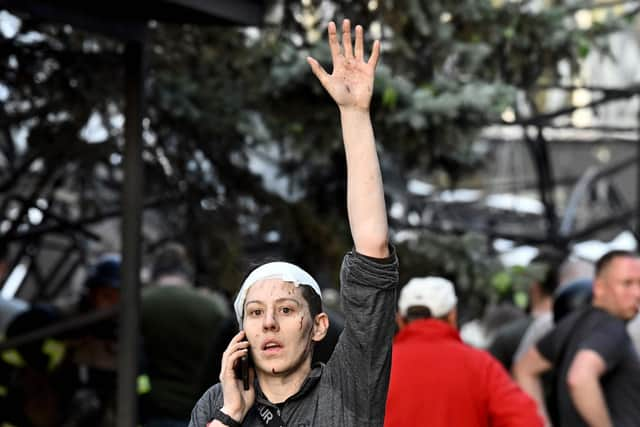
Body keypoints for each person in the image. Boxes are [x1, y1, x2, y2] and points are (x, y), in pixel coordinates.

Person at [188, 19, 398, 427]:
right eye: (255, 313)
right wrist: (230, 415)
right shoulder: (215, 403)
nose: (268, 323)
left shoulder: (348, 388)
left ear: (318, 326)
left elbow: (373, 248)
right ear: (242, 331)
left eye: (286, 309)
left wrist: (354, 114)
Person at [384, 277, 542, 427]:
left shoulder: (375, 368)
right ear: (453, 316)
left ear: (399, 320)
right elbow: (525, 420)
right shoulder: (481, 365)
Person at [513, 250, 640, 427]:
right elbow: (580, 377)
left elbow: (524, 369)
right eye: (627, 284)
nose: (637, 294)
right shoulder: (611, 328)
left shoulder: (569, 325)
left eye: (639, 284)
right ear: (599, 287)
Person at [140, 242, 234, 427]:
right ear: (187, 272)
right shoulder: (214, 307)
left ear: (155, 271)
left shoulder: (141, 303)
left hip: (154, 410)